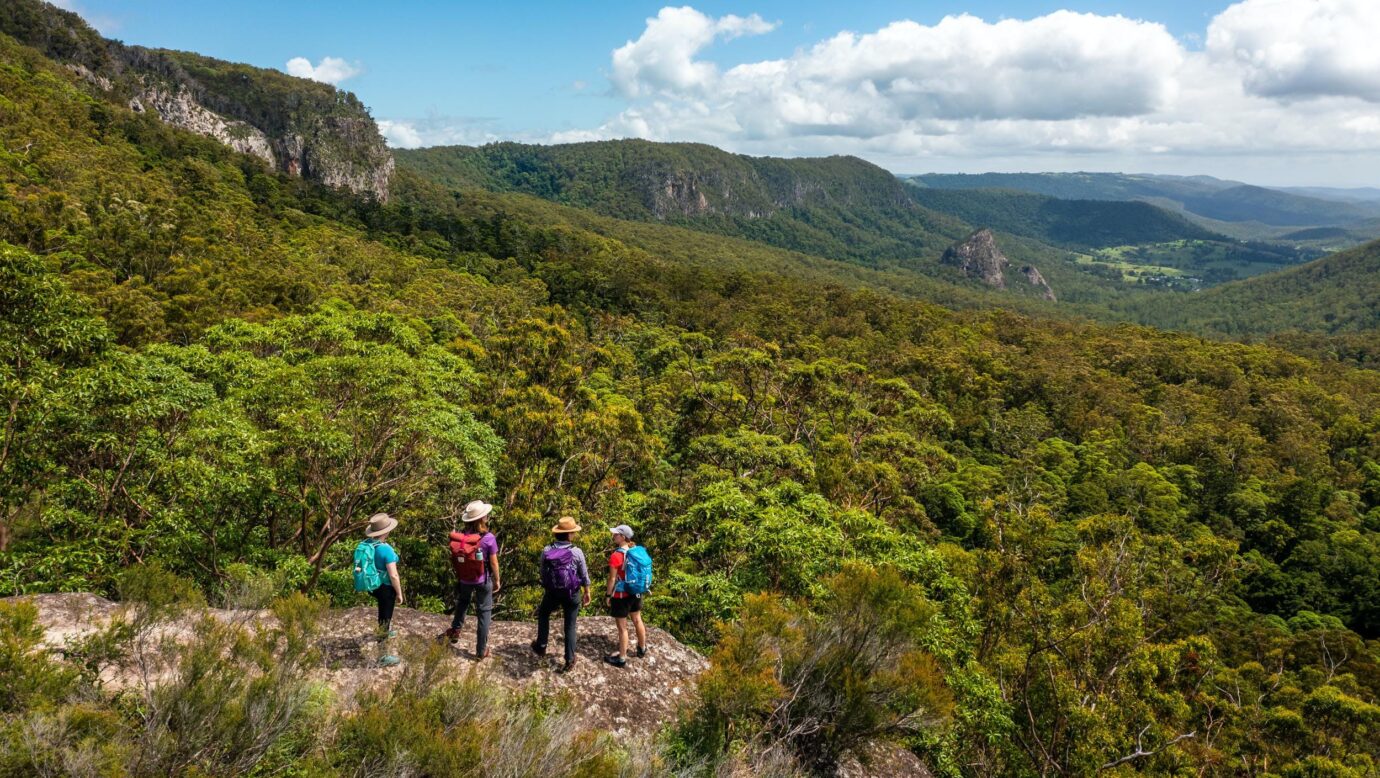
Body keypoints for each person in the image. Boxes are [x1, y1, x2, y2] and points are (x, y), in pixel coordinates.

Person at [439, 500, 501, 659]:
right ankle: (481, 651)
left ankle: (455, 630)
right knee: (484, 612)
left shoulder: (462, 537)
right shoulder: (488, 538)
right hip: (482, 579)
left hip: (465, 578)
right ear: (482, 519)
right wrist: (497, 580)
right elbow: (493, 562)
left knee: (463, 601)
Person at [530, 516, 591, 673]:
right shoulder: (576, 552)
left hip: (553, 592)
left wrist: (548, 585)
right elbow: (583, 575)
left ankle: (541, 645)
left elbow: (542, 572)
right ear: (570, 534)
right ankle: (569, 659)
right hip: (572, 593)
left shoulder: (547, 550)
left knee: (544, 614)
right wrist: (587, 591)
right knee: (570, 625)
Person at [361, 512, 403, 667]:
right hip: (385, 588)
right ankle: (382, 655)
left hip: (373, 586)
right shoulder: (386, 550)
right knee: (384, 618)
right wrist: (399, 593)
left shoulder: (368, 544)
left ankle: (385, 630)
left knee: (383, 613)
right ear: (386, 531)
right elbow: (393, 575)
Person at [603, 524, 648, 668]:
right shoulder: (636, 550)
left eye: (616, 534)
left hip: (621, 595)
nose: (613, 536)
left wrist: (608, 595)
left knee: (622, 627)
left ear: (623, 537)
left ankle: (622, 658)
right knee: (637, 620)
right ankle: (642, 649)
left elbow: (612, 579)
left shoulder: (616, 556)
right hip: (636, 591)